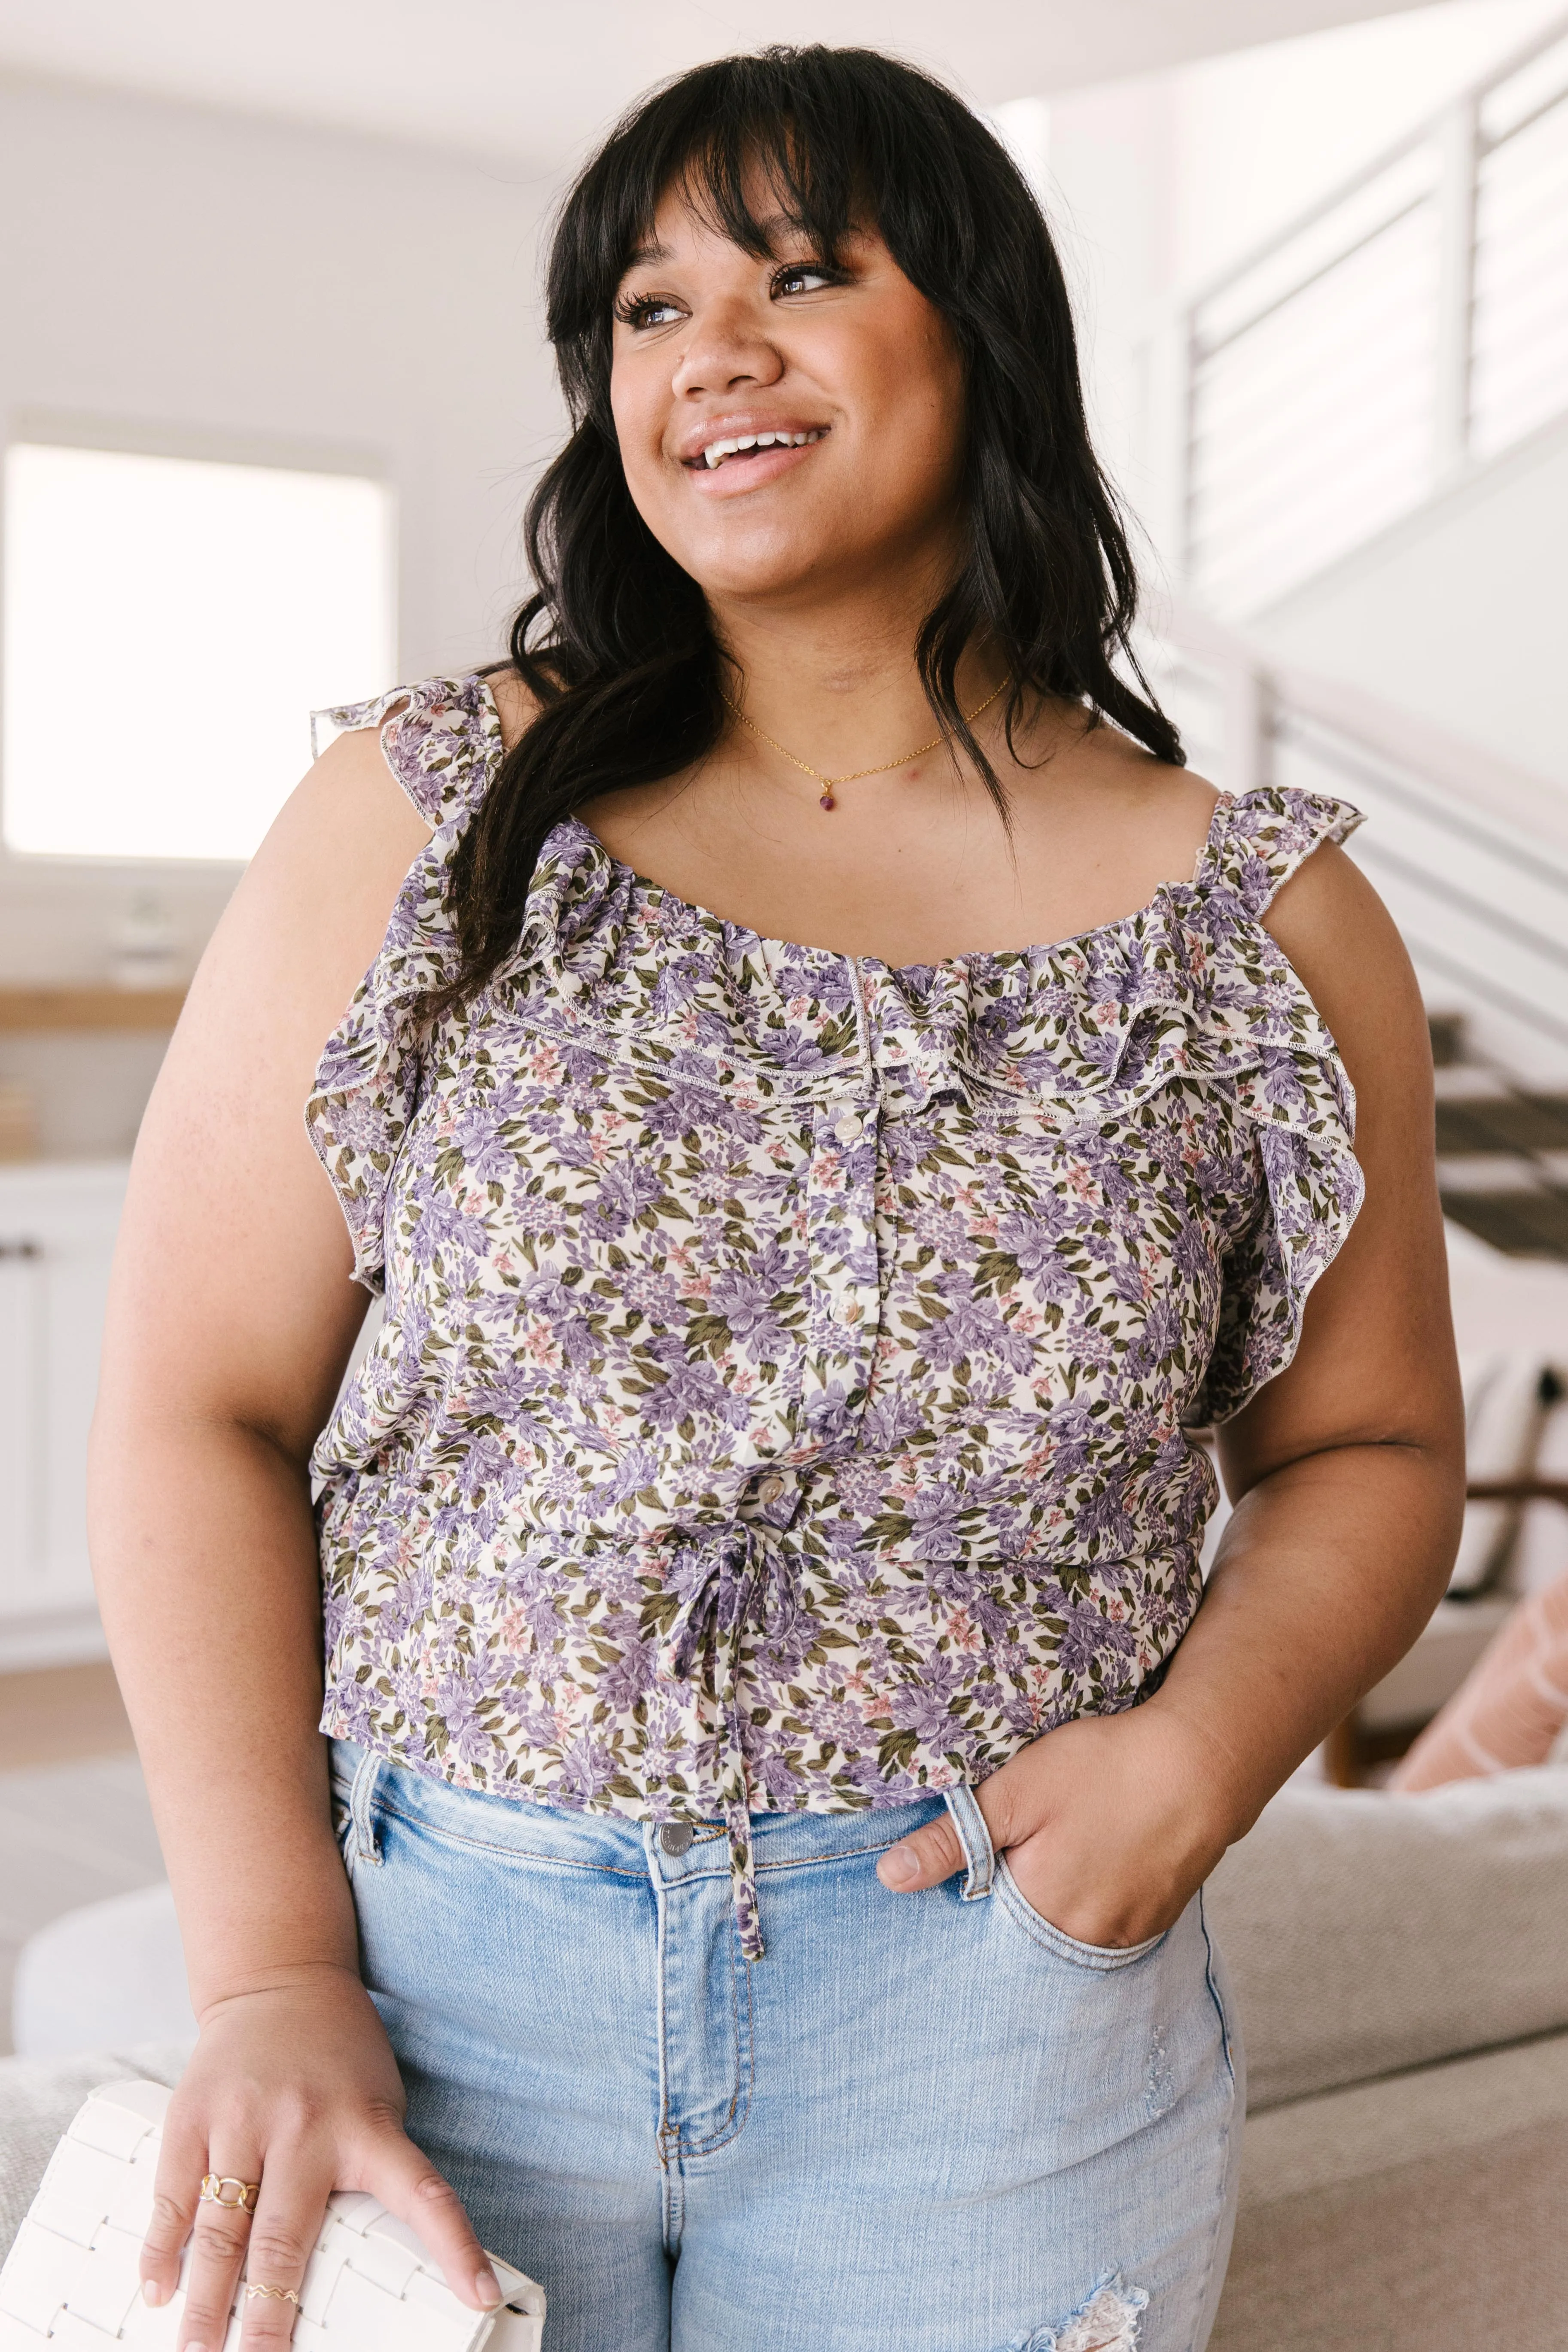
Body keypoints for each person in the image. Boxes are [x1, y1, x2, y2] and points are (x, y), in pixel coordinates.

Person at [89, 45, 1464, 2352]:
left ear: (987, 333)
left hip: (1001, 2017)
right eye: (644, 306)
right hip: (445, 1986)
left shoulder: (1265, 922)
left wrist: (1197, 1769)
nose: (709, 349)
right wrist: (269, 1972)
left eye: (802, 272)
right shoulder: (428, 816)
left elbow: (1372, 1452)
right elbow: (190, 1410)